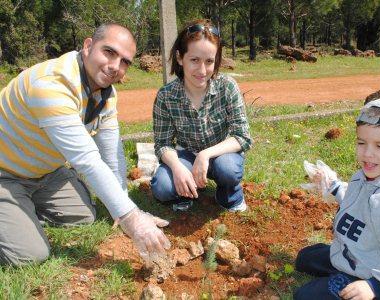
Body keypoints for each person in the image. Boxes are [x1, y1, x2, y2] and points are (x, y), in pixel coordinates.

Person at [0, 23, 170, 266]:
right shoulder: (51, 84)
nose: (115, 67)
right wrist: (133, 219)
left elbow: (111, 153)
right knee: (29, 256)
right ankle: (14, 214)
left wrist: (123, 208)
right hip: (5, 174)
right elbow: (87, 160)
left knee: (84, 215)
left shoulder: (106, 94)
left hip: (46, 173)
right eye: (109, 52)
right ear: (88, 46)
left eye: (124, 61)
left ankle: (21, 210)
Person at [294, 99, 380, 300]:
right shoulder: (364, 177)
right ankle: (341, 267)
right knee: (304, 258)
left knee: (304, 296)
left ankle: (359, 284)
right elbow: (356, 198)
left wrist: (375, 286)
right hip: (353, 252)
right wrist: (333, 185)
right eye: (361, 143)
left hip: (372, 270)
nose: (368, 154)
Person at [151, 19, 252, 212]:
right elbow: (163, 143)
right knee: (162, 187)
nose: (202, 70)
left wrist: (206, 154)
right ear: (180, 58)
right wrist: (177, 167)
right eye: (194, 60)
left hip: (221, 154)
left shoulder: (227, 87)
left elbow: (243, 137)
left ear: (217, 60)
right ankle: (185, 190)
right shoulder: (166, 96)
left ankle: (229, 195)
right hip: (186, 155)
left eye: (209, 61)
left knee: (228, 169)